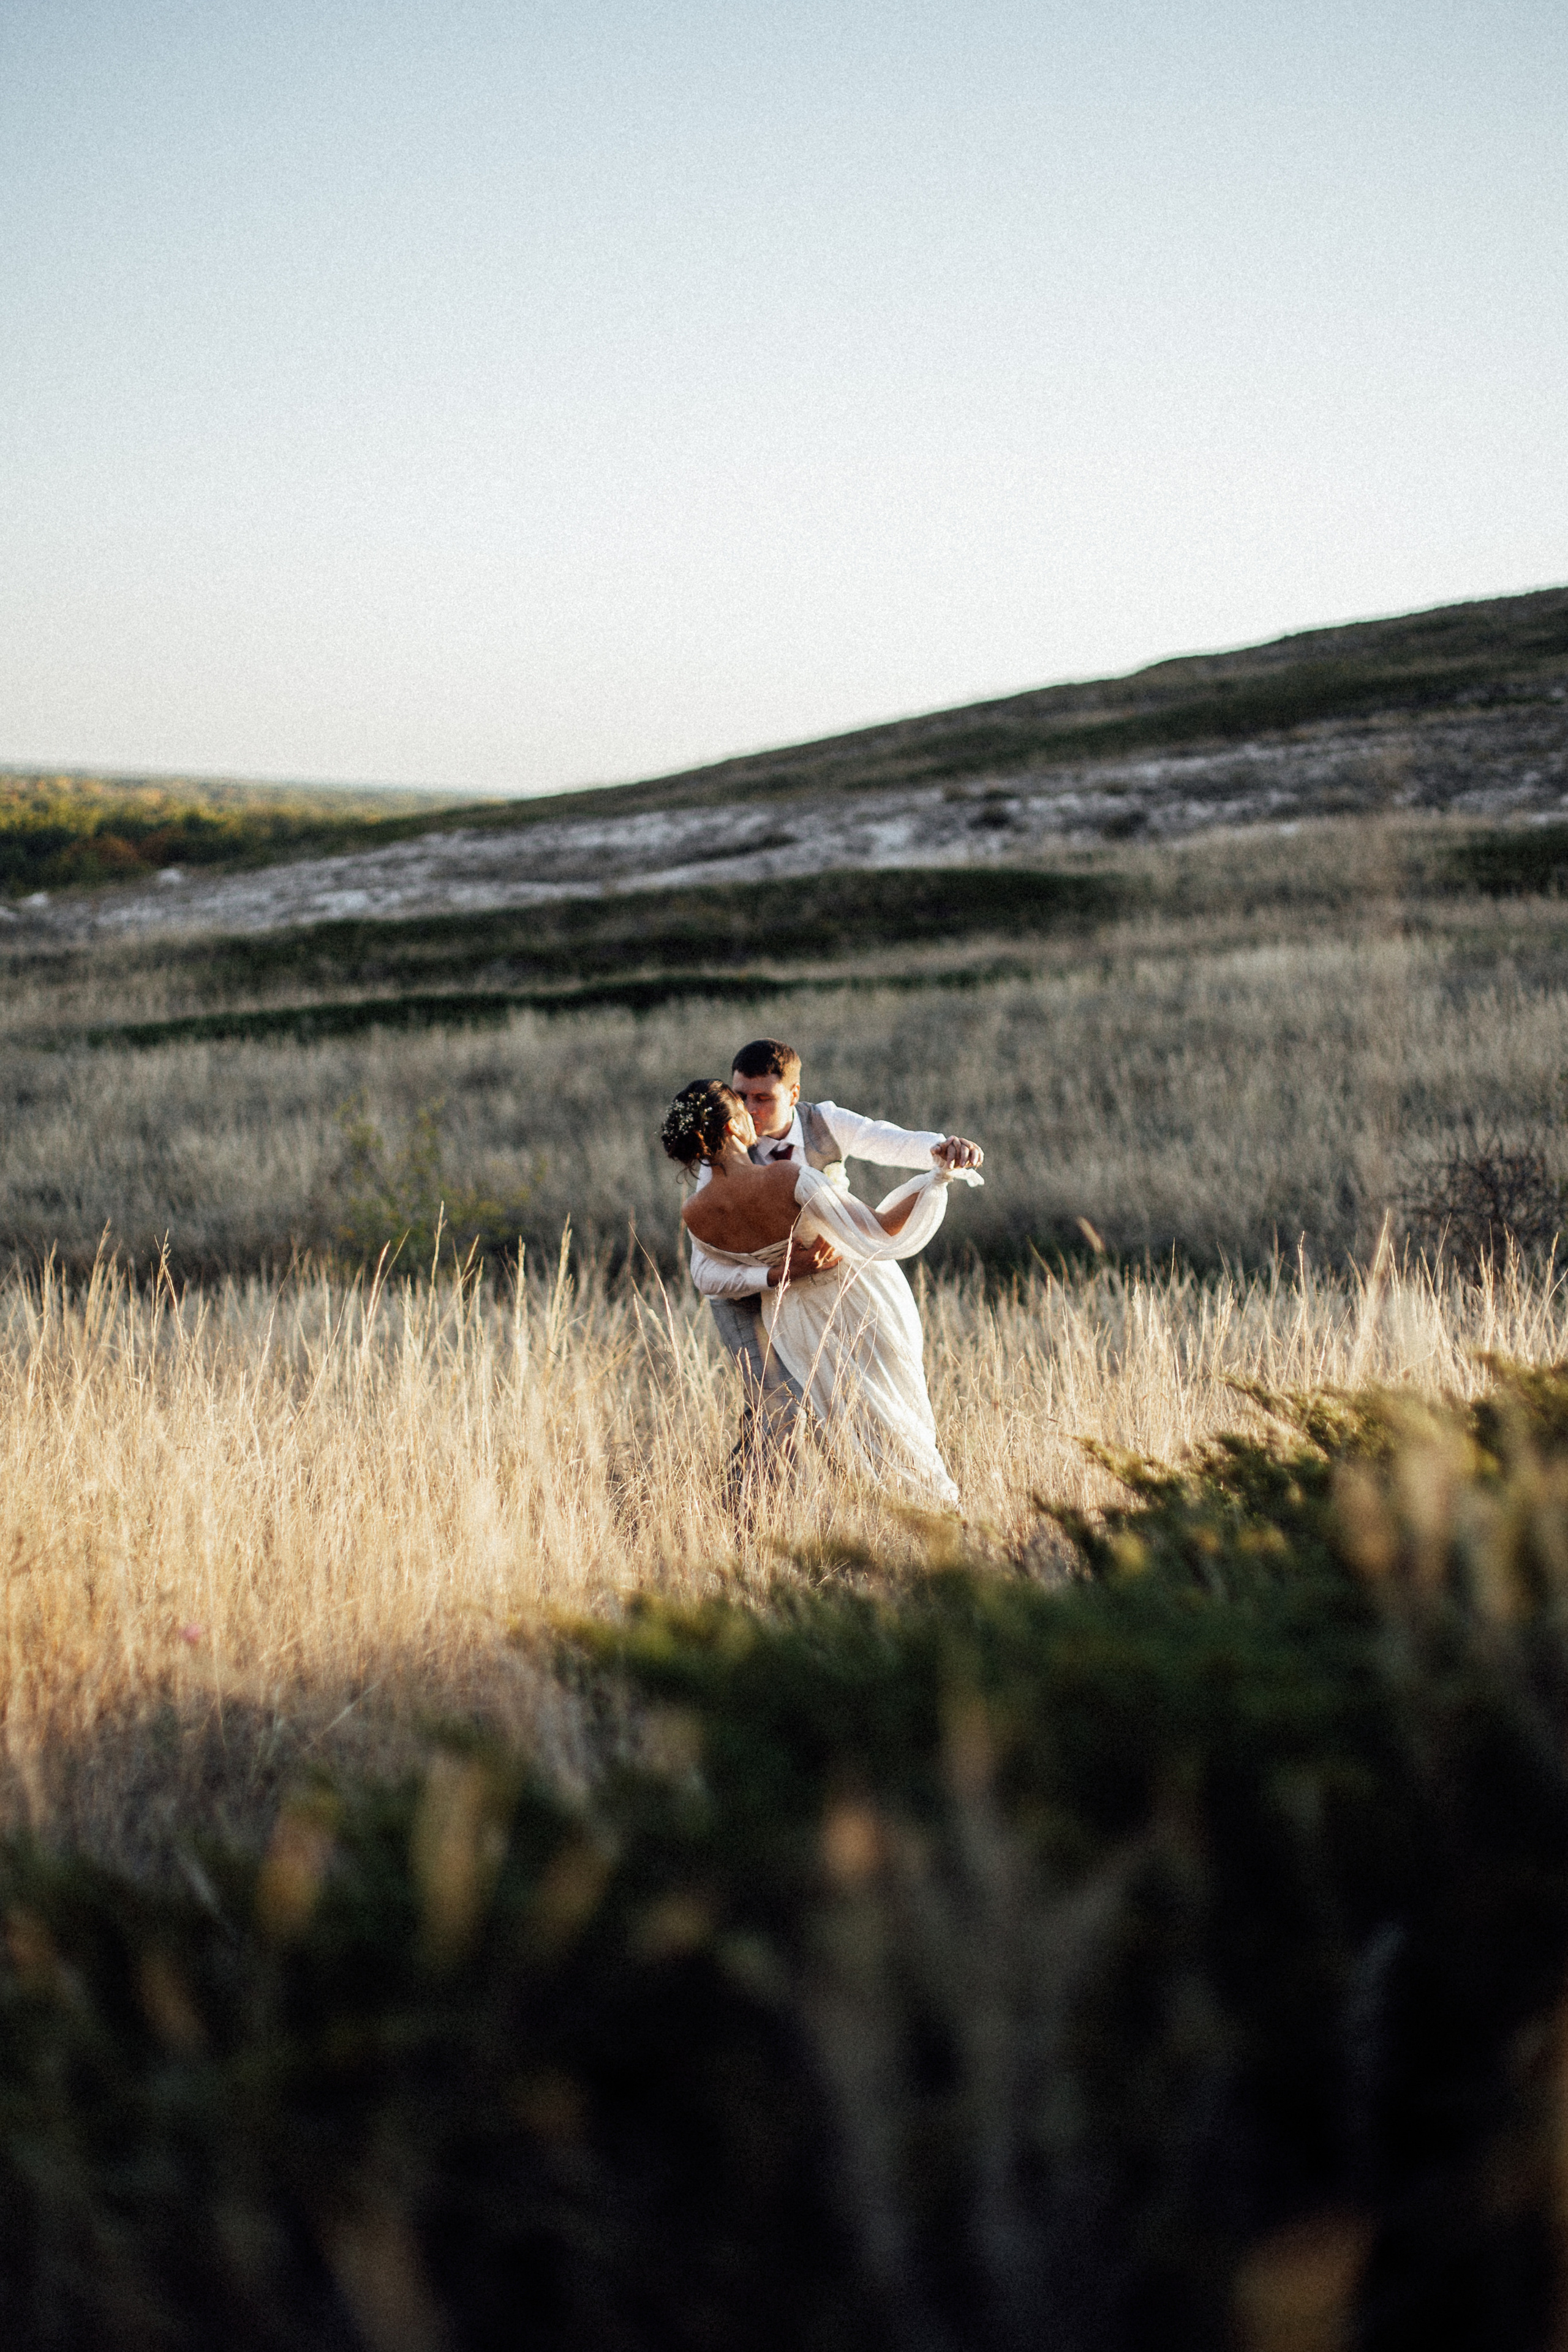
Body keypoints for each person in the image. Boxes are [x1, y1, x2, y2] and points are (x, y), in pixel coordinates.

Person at [662, 1076, 982, 1507]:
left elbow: (711, 1276)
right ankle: (941, 1514)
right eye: (742, 1108)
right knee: (900, 1417)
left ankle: (895, 1519)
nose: (751, 1113)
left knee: (851, 1427)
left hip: (793, 1323)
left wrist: (776, 1274)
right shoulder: (786, 1176)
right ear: (733, 1128)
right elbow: (881, 1228)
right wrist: (937, 1179)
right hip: (856, 1301)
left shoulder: (695, 1214)